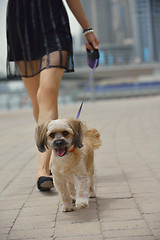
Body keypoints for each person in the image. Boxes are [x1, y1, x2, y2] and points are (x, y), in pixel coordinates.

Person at [6, 0, 99, 191]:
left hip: (53, 20)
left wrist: (87, 29)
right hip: (20, 21)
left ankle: (42, 170)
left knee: (47, 92)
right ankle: (54, 156)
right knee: (38, 102)